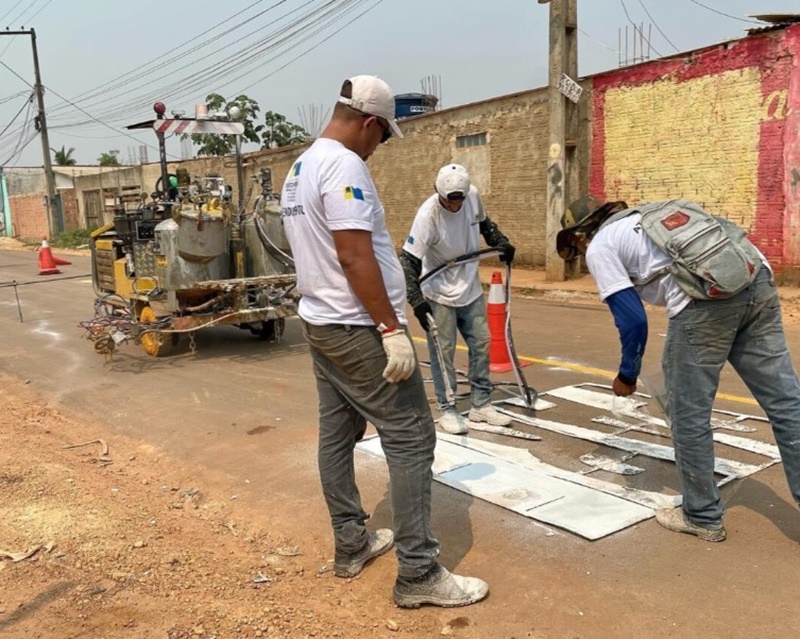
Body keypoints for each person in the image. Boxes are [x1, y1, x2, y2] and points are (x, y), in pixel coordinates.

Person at [280, 75, 488, 607]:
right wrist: (390, 329)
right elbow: (353, 256)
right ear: (369, 123)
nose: (380, 147)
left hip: (323, 321)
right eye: (383, 136)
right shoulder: (344, 165)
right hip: (356, 325)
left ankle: (351, 545)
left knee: (337, 432)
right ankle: (418, 573)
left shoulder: (300, 166)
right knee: (413, 435)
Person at [556, 195, 800, 542]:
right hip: (756, 276)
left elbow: (633, 322)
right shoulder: (650, 216)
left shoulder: (601, 246)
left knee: (688, 413)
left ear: (580, 236)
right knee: (787, 402)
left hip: (704, 302)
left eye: (576, 246)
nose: (580, 255)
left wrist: (627, 375)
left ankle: (701, 515)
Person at [399, 164, 516, 435]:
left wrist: (500, 241)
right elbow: (409, 260)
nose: (454, 206)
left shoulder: (472, 196)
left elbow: (486, 224)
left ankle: (481, 404)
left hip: (470, 286)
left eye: (458, 200)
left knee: (482, 343)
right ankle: (448, 407)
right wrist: (416, 300)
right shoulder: (428, 215)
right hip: (438, 291)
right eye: (448, 201)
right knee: (443, 353)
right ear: (438, 193)